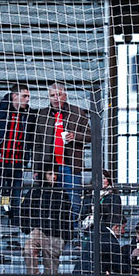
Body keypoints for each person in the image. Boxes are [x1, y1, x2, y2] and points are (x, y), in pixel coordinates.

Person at [31, 82, 90, 216]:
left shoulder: (77, 112)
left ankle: (73, 233)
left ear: (65, 95)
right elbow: (37, 144)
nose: (56, 98)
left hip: (71, 165)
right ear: (49, 97)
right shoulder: (42, 115)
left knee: (74, 202)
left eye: (59, 94)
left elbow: (90, 136)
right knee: (48, 203)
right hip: (49, 167)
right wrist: (36, 168)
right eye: (52, 95)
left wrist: (75, 136)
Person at [0, 83, 32, 225]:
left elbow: (30, 139)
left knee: (16, 198)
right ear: (15, 96)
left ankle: (14, 231)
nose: (28, 99)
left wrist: (27, 157)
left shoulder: (28, 114)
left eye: (28, 96)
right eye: (25, 96)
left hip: (17, 162)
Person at [19, 168, 73, 276]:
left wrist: (66, 238)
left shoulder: (62, 193)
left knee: (51, 268)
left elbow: (67, 216)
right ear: (44, 174)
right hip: (40, 230)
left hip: (56, 234)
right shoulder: (35, 192)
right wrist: (27, 228)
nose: (53, 177)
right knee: (28, 250)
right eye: (50, 173)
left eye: (55, 174)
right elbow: (24, 210)